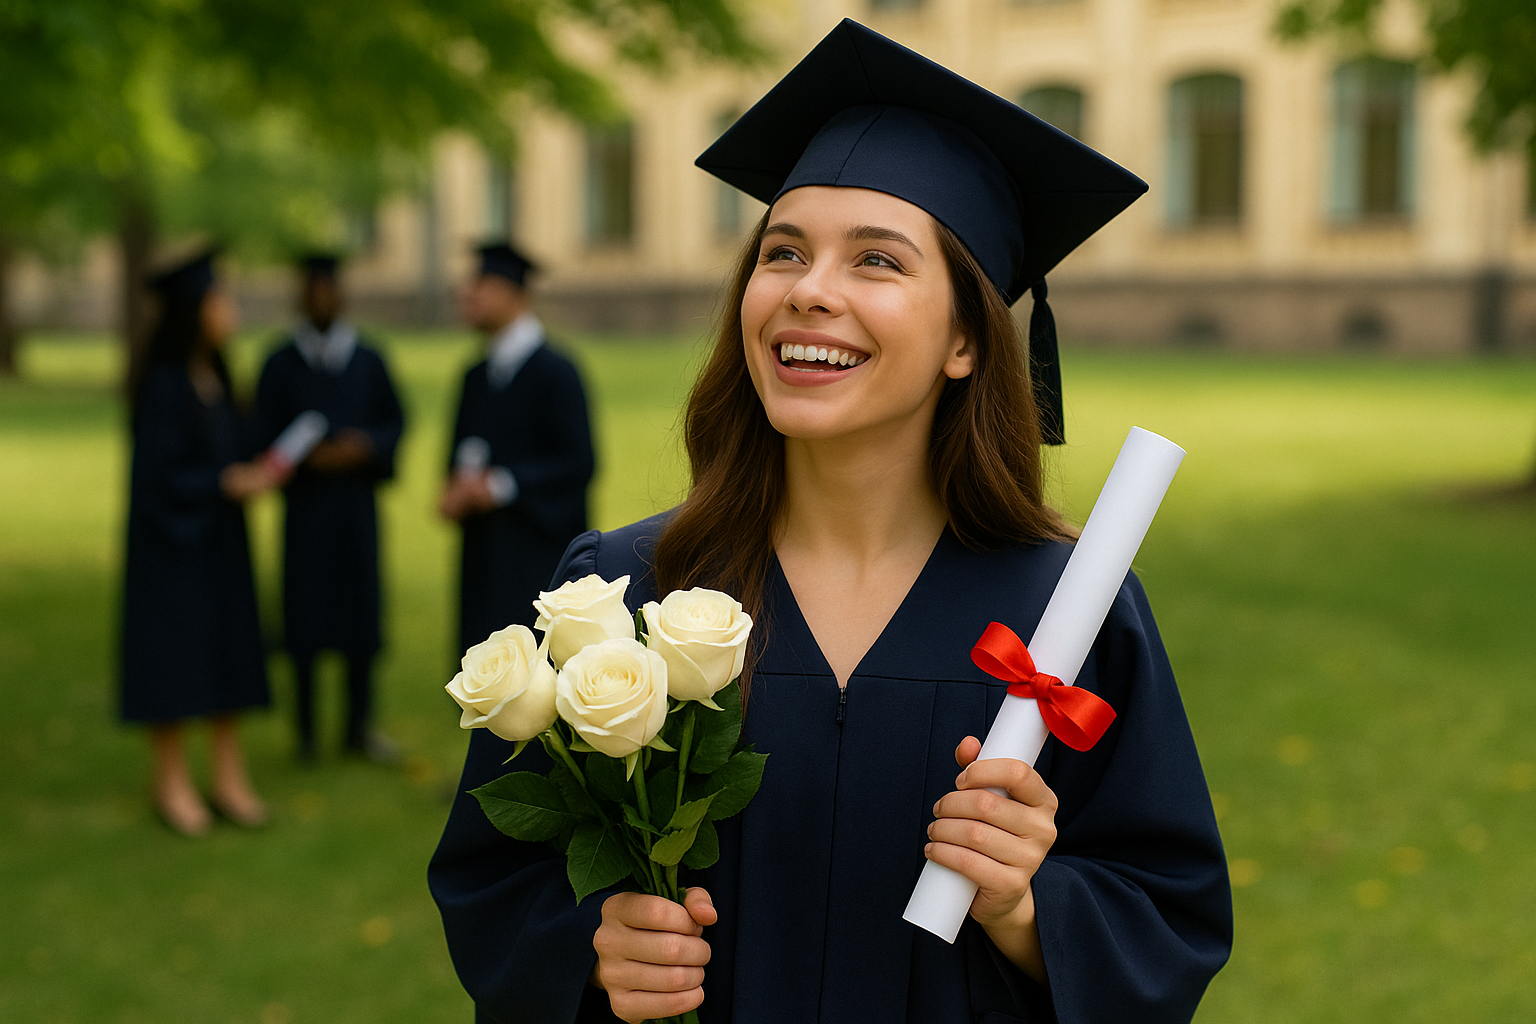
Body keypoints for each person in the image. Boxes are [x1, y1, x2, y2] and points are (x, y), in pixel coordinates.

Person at [429, 20, 1232, 1024]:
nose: (810, 291)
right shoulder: (628, 594)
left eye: (877, 262)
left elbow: (1168, 909)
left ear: (966, 342)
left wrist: (1026, 907)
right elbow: (494, 878)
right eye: (784, 252)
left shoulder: (1067, 610)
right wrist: (592, 949)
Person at [120, 249, 278, 837]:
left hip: (220, 545)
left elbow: (231, 444)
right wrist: (223, 481)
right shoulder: (162, 385)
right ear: (193, 310)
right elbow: (157, 478)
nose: (229, 309)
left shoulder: (215, 376)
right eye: (219, 299)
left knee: (227, 652)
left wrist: (256, 464)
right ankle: (170, 780)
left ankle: (228, 776)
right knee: (175, 660)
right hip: (172, 549)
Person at [255, 254, 406, 763]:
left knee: (358, 618)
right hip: (306, 512)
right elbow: (259, 432)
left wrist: (364, 447)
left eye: (328, 289)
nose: (320, 298)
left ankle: (358, 727)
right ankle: (305, 734)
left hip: (355, 510)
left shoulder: (368, 358)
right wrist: (306, 459)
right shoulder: (279, 362)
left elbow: (395, 421)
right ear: (300, 297)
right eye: (311, 289)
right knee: (303, 619)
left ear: (342, 296)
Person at [439, 243, 595, 657]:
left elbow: (580, 462)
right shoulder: (475, 376)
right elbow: (460, 454)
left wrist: (499, 486)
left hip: (536, 556)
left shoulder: (557, 373)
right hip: (483, 557)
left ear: (516, 295)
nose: (468, 294)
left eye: (482, 284)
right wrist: (454, 489)